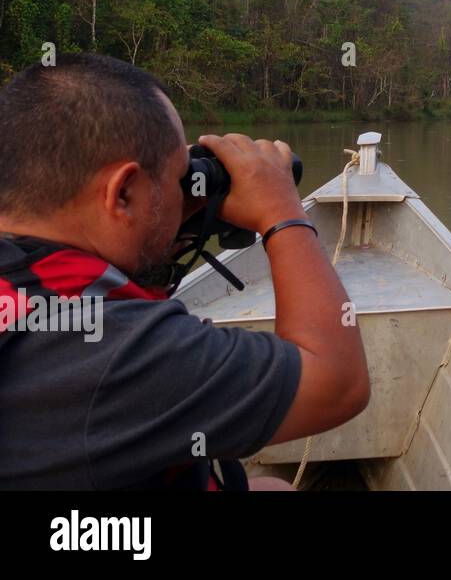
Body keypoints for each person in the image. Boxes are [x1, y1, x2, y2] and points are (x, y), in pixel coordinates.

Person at [0, 54, 369, 489]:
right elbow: (338, 383)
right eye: (180, 178)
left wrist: (151, 228)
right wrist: (280, 209)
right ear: (121, 194)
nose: (187, 192)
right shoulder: (116, 349)